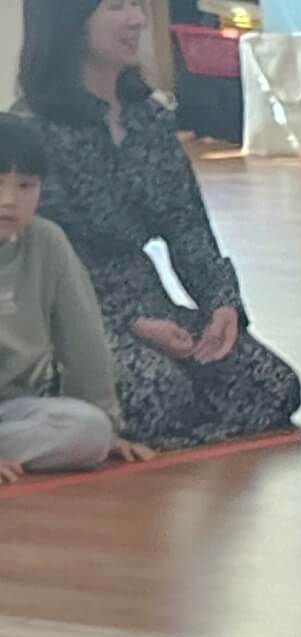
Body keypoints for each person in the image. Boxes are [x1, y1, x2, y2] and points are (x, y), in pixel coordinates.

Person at [7, 0, 298, 449]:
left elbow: (187, 226)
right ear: (69, 19)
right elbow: (36, 265)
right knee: (157, 393)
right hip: (72, 320)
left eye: (137, 5)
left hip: (154, 307)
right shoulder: (32, 130)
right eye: (116, 7)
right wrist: (126, 323)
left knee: (273, 386)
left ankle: (162, 431)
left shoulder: (151, 119)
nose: (137, 20)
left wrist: (222, 305)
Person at [0, 111, 146, 479]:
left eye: (25, 186)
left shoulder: (46, 242)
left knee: (89, 429)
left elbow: (83, 339)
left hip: (11, 411)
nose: (9, 200)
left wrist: (108, 426)